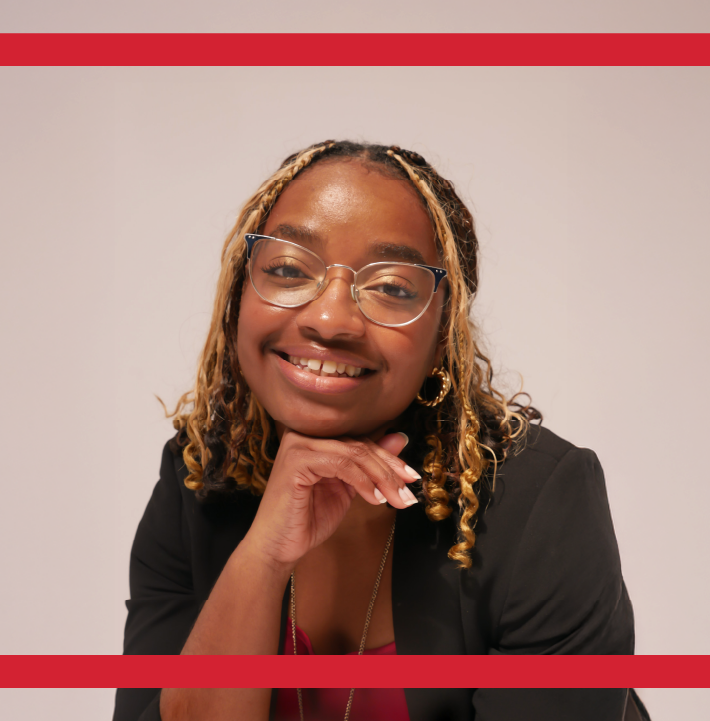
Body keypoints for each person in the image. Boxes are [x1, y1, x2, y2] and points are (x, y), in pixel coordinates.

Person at [113, 140, 642, 721]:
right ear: (240, 294)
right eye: (288, 269)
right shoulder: (200, 475)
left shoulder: (538, 503)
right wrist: (261, 557)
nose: (330, 318)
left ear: (445, 336)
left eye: (391, 287)